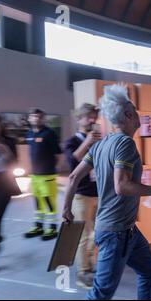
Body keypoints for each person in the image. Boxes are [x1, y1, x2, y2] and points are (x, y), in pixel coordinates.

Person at [62, 84, 151, 300]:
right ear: (128, 114)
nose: (138, 115)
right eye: (135, 110)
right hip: (115, 233)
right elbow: (122, 186)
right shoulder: (125, 144)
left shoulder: (100, 145)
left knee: (149, 270)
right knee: (101, 293)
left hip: (126, 230)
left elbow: (73, 177)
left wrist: (66, 209)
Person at [63, 104, 101, 289]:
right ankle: (83, 271)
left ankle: (91, 263)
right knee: (83, 235)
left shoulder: (97, 140)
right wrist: (87, 142)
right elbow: (72, 161)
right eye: (88, 117)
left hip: (99, 193)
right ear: (79, 119)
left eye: (94, 116)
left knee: (98, 232)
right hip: (81, 195)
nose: (92, 120)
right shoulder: (72, 141)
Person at [24, 108, 63, 241]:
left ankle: (52, 228)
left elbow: (58, 154)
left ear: (43, 119)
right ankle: (39, 226)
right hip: (34, 176)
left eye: (39, 117)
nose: (36, 119)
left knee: (49, 202)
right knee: (38, 202)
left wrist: (50, 168)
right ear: (29, 118)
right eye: (34, 116)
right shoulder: (29, 133)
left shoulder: (49, 133)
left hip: (47, 175)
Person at [0, 115, 21, 273]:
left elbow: (15, 163)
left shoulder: (8, 141)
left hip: (3, 184)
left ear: (0, 126)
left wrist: (5, 152)